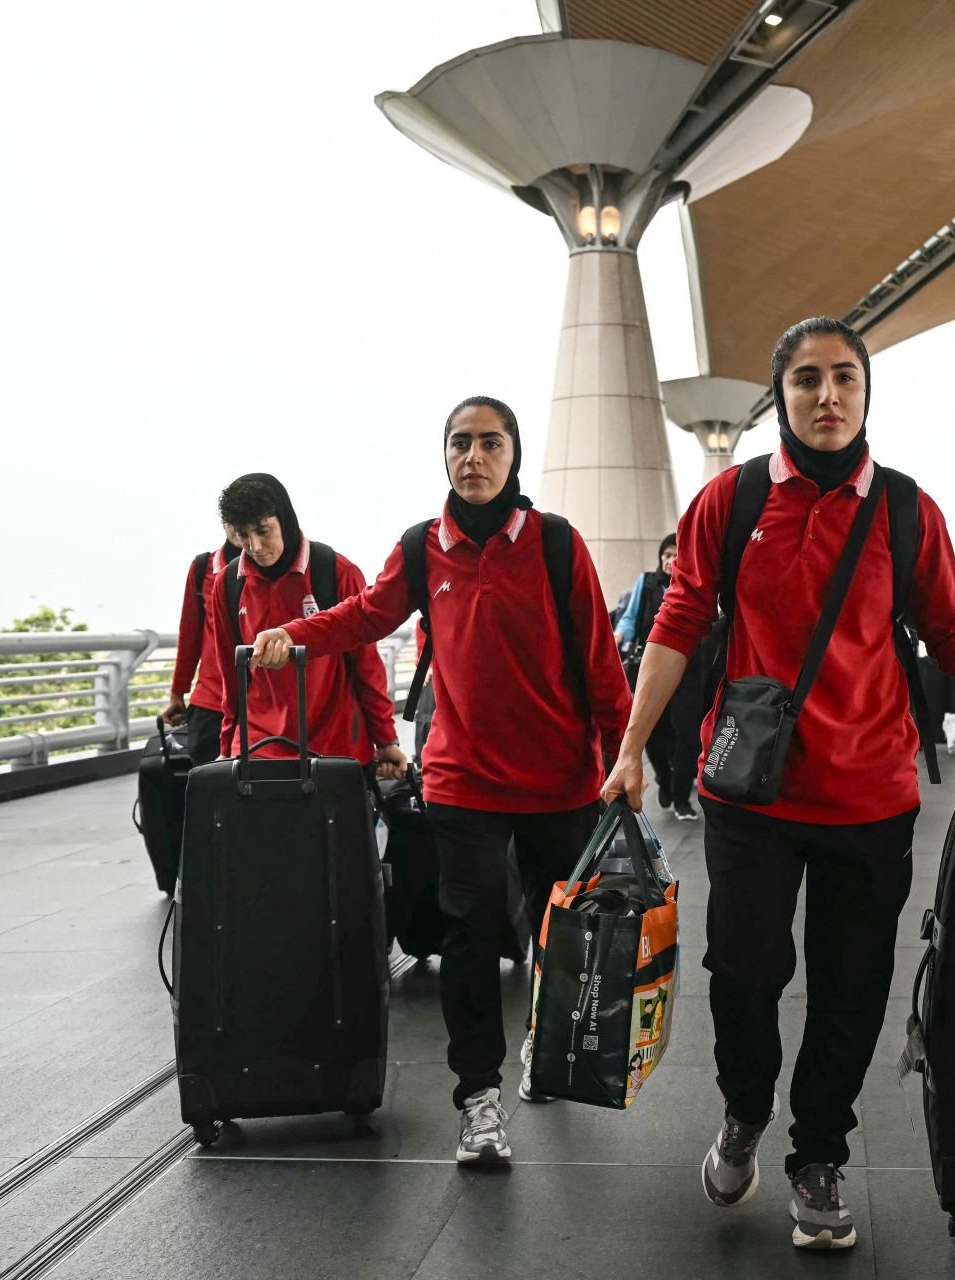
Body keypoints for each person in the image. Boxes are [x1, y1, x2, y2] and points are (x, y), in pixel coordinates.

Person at [602, 317, 955, 1252]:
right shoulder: (732, 499)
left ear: (866, 394)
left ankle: (818, 1152)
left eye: (844, 380)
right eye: (806, 381)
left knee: (851, 986)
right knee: (742, 971)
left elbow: (948, 631)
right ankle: (747, 1108)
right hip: (749, 791)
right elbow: (677, 619)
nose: (827, 397)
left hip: (869, 793)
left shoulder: (906, 510)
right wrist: (629, 747)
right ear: (780, 397)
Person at [249, 396, 630, 1167]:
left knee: (564, 933)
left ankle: (543, 1051)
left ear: (513, 455)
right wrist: (293, 634)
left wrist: (626, 757)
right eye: (460, 444)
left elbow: (598, 659)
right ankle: (478, 1097)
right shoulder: (424, 548)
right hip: (462, 779)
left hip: (561, 778)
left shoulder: (556, 543)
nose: (474, 457)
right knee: (470, 931)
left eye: (490, 443)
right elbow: (364, 615)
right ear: (445, 456)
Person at [209, 473, 406, 782]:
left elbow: (366, 666)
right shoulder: (228, 585)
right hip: (260, 746)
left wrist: (386, 739)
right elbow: (230, 672)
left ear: (284, 520)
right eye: (242, 535)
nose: (255, 546)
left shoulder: (335, 571)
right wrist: (226, 746)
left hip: (333, 744)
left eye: (263, 531)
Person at [614, 533, 698, 820]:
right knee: (653, 733)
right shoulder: (646, 582)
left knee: (685, 734)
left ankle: (681, 797)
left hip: (687, 669)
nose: (668, 560)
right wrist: (620, 635)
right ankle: (664, 778)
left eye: (675, 555)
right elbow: (629, 615)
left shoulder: (692, 584)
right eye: (665, 554)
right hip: (648, 668)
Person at [162, 527, 241, 765]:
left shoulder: (280, 569)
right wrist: (178, 693)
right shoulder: (203, 568)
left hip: (266, 707)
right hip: (211, 702)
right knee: (208, 790)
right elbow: (189, 635)